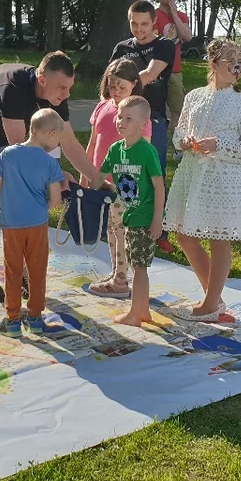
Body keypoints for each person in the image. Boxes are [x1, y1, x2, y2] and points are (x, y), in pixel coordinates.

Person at [0, 51, 100, 303]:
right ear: (42, 79)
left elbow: (68, 142)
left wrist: (98, 181)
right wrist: (54, 174)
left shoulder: (56, 96)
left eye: (70, 88)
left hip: (15, 143)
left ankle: (20, 271)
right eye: (62, 88)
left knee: (18, 205)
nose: (66, 95)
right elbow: (20, 154)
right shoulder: (13, 87)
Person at [164, 39, 241, 322]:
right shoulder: (193, 96)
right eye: (230, 60)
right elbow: (178, 131)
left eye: (240, 60)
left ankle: (209, 303)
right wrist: (185, 141)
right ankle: (214, 298)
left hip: (223, 177)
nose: (236, 65)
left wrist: (219, 145)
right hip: (193, 174)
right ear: (213, 64)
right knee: (184, 234)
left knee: (219, 239)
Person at [0, 109, 65, 337]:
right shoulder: (50, 162)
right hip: (37, 224)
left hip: (11, 223)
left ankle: (12, 320)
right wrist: (42, 208)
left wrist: (5, 204)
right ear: (51, 134)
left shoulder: (7, 154)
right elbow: (56, 199)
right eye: (58, 140)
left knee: (12, 270)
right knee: (37, 269)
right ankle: (34, 318)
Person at [109, 0, 176, 253]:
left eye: (144, 24)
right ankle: (125, 222)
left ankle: (159, 230)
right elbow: (109, 81)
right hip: (121, 119)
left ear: (154, 22)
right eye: (134, 24)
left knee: (154, 173)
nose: (139, 29)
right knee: (122, 171)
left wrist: (128, 90)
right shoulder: (121, 48)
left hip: (152, 119)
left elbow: (148, 74)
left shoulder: (164, 46)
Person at [85, 58, 152, 298]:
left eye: (121, 87)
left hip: (125, 185)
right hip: (101, 180)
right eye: (112, 85)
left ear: (134, 84)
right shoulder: (102, 107)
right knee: (111, 231)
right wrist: (86, 176)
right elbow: (93, 142)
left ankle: (121, 280)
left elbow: (146, 153)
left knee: (122, 231)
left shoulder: (137, 114)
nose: (115, 91)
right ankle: (117, 273)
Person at [97, 95, 165, 327]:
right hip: (128, 216)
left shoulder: (147, 152)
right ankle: (143, 310)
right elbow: (98, 177)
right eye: (119, 116)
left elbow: (159, 186)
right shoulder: (116, 149)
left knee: (139, 268)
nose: (120, 121)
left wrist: (157, 220)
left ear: (143, 125)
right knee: (137, 265)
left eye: (128, 118)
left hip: (143, 218)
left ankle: (135, 314)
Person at [153, 0, 192, 158]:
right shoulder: (153, 15)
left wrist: (175, 15)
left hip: (175, 71)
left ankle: (178, 149)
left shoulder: (181, 16)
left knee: (178, 110)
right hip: (155, 70)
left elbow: (187, 37)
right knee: (155, 111)